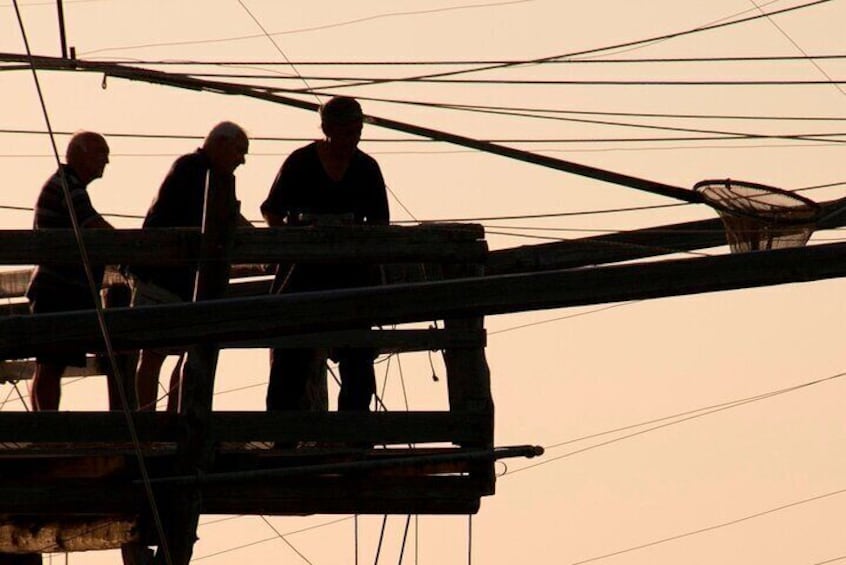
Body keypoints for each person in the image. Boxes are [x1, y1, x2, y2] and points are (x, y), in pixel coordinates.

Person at [261, 96, 390, 414]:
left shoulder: (366, 168)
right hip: (302, 275)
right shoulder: (301, 162)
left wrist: (358, 244)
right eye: (346, 131)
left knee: (358, 362)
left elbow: (379, 224)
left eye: (357, 131)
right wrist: (295, 240)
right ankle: (283, 436)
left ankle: (353, 439)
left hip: (350, 277)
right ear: (327, 129)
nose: (353, 139)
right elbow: (272, 210)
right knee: (290, 359)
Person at [126, 121, 251, 411]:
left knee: (184, 353)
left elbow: (228, 219)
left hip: (183, 279)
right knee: (154, 353)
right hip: (160, 276)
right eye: (239, 150)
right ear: (220, 144)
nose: (241, 159)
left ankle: (172, 419)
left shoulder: (212, 176)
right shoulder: (191, 169)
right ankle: (149, 422)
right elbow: (220, 220)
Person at [27, 131, 114, 411]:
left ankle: (44, 428)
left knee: (50, 363)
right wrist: (131, 248)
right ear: (82, 154)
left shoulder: (68, 184)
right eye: (101, 152)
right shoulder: (69, 186)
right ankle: (48, 428)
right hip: (59, 289)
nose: (107, 161)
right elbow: (93, 226)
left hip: (59, 288)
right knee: (52, 362)